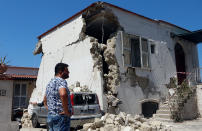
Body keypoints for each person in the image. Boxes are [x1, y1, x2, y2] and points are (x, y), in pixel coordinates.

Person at [43, 63, 72, 131]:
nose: (68, 72)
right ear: (60, 72)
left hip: (51, 116)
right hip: (61, 118)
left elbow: (44, 100)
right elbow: (63, 94)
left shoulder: (49, 83)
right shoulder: (61, 81)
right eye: (66, 70)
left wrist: (51, 110)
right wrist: (66, 111)